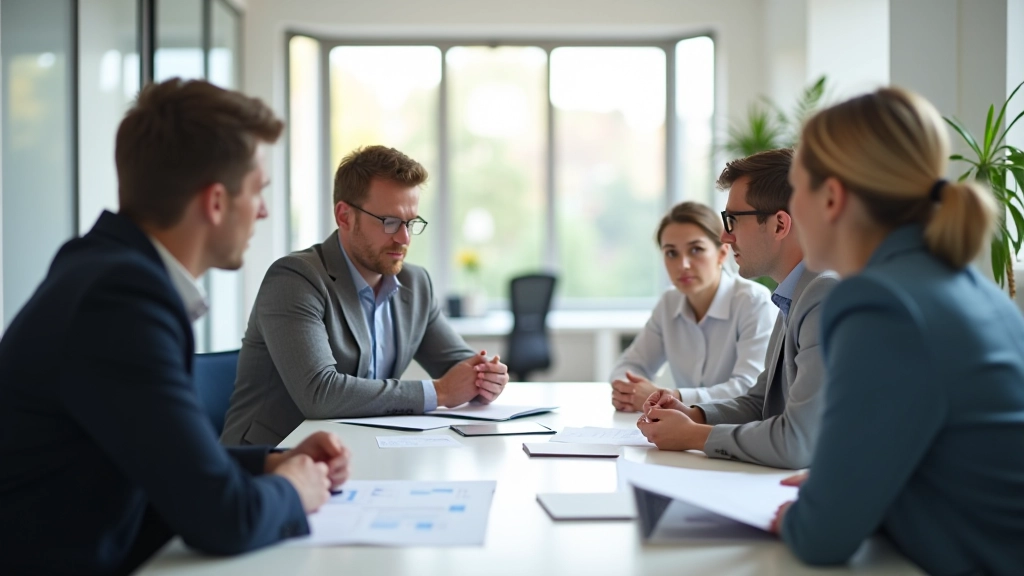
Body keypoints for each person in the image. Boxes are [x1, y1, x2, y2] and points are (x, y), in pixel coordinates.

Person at [0, 79, 350, 575]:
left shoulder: (103, 267)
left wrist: (274, 462)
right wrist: (294, 490)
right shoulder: (121, 300)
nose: (264, 210)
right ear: (214, 202)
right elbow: (223, 518)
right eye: (258, 191)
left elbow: (165, 460)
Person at [769, 87, 1024, 574]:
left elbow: (822, 539)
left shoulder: (877, 303)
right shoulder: (971, 285)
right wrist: (848, 483)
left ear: (831, 198)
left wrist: (815, 511)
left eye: (795, 188)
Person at [221, 145, 509, 446]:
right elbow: (320, 394)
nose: (404, 238)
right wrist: (441, 392)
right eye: (390, 222)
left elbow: (461, 365)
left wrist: (487, 377)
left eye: (411, 223)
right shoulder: (295, 279)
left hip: (360, 450)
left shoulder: (415, 283)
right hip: (271, 460)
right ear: (345, 216)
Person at [637, 148, 837, 469]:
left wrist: (694, 436)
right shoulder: (796, 291)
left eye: (732, 220)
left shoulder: (824, 295)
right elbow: (762, 402)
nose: (725, 236)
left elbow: (797, 441)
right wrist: (693, 414)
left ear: (779, 224)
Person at [609, 201, 775, 411]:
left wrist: (671, 397)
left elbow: (747, 389)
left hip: (735, 431)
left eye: (696, 250)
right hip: (682, 428)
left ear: (722, 253)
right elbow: (628, 366)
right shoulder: (669, 303)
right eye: (671, 253)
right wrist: (628, 390)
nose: (683, 265)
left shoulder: (753, 302)